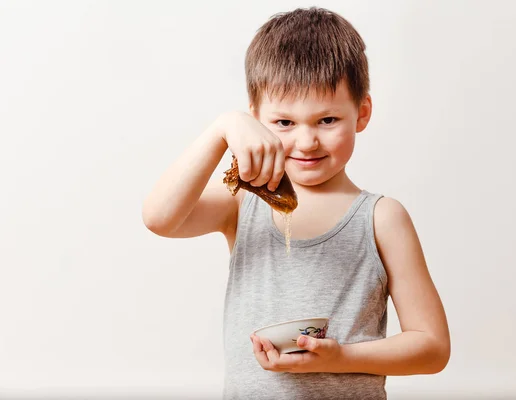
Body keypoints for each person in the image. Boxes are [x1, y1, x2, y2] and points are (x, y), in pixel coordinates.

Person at [142, 7, 450, 400]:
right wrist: (224, 128)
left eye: (327, 120)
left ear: (362, 113)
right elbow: (158, 218)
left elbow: (432, 348)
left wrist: (338, 358)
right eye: (284, 122)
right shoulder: (243, 201)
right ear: (257, 120)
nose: (306, 142)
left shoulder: (381, 218)